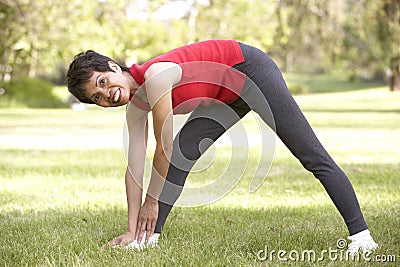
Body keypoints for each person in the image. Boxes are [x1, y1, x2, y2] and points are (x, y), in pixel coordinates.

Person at [66, 40, 378, 254]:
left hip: (248, 69)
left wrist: (151, 202)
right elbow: (134, 168)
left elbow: (164, 146)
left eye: (103, 82)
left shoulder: (156, 76)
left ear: (112, 66)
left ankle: (362, 238)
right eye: (97, 97)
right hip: (223, 94)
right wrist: (131, 229)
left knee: (310, 154)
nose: (106, 95)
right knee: (183, 158)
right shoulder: (135, 105)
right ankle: (146, 238)